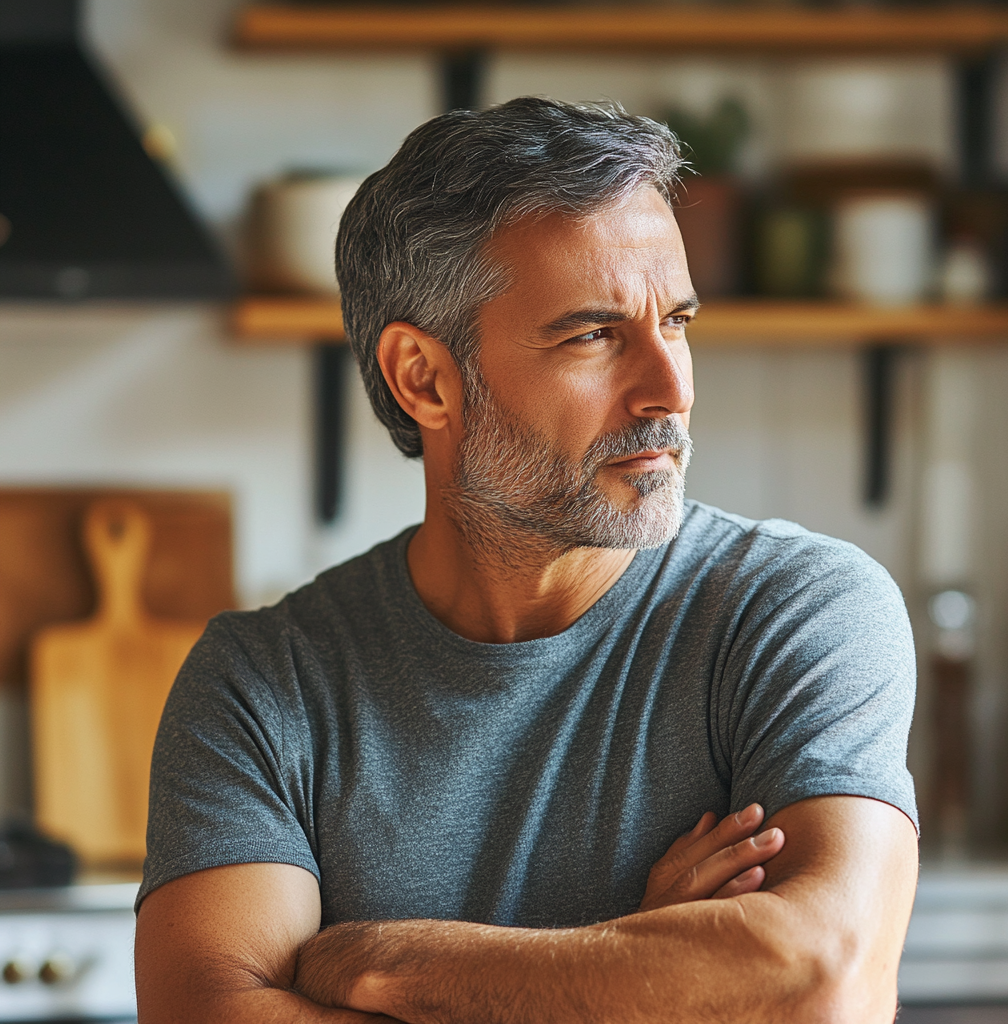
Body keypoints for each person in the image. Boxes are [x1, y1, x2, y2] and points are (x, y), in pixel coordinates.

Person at [134, 97, 919, 1023]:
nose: (669, 389)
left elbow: (823, 981)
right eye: (593, 334)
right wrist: (643, 967)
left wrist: (387, 965)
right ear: (423, 377)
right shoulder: (264, 684)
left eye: (678, 321)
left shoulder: (798, 611)